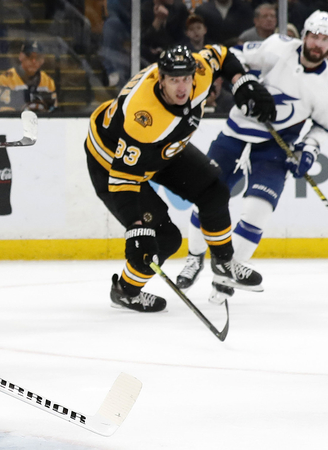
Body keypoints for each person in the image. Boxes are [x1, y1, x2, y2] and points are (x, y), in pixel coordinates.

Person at [84, 44, 275, 312]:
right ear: (160, 80)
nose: (182, 87)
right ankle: (126, 291)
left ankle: (224, 263)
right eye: (174, 80)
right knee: (163, 239)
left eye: (186, 79)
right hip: (111, 162)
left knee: (214, 192)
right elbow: (124, 179)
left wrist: (241, 80)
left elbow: (221, 54)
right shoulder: (144, 119)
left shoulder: (198, 71)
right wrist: (136, 229)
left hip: (162, 149)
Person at [176, 11, 328, 302]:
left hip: (276, 148)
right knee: (206, 195)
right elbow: (234, 57)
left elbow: (323, 128)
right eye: (314, 36)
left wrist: (309, 149)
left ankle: (227, 275)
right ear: (303, 36)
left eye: (325, 39)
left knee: (258, 209)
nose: (318, 43)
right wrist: (245, 84)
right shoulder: (277, 47)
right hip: (236, 132)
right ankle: (194, 257)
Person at [0, 40, 57, 113]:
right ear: (21, 57)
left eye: (38, 57)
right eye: (29, 56)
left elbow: (53, 109)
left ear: (42, 60)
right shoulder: (5, 79)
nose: (34, 61)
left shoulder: (48, 81)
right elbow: (2, 111)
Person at [141, 0, 189, 65]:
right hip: (149, 60)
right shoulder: (144, 9)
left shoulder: (179, 8)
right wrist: (158, 20)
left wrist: (166, 50)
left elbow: (183, 38)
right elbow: (142, 41)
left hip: (175, 57)